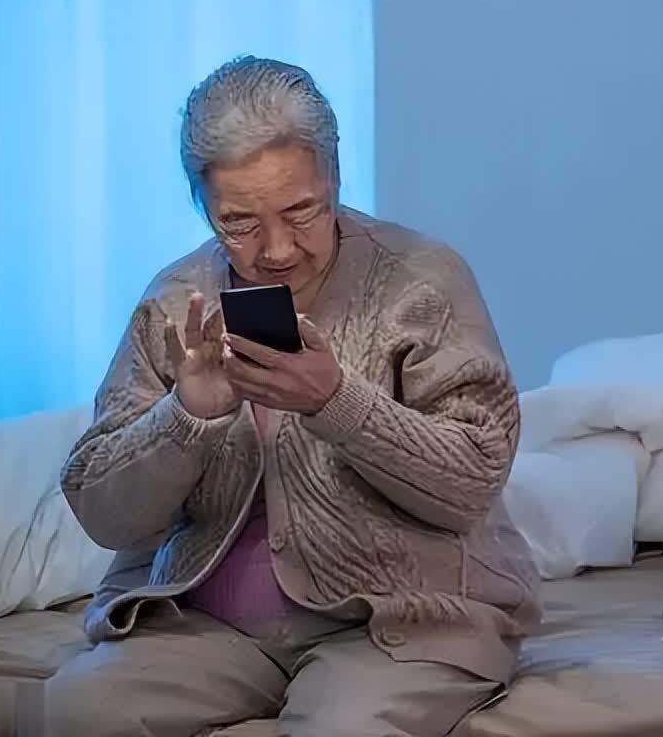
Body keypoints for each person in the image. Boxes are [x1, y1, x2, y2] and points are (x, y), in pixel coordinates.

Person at [46, 56, 540, 737]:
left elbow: (472, 482)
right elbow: (102, 512)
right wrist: (186, 417)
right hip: (206, 623)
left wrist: (335, 400)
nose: (276, 250)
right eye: (238, 222)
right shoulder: (175, 300)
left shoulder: (422, 279)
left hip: (399, 622)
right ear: (202, 206)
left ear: (334, 175)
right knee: (79, 708)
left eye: (302, 210)